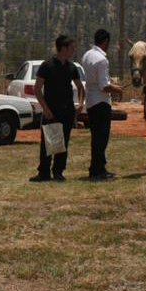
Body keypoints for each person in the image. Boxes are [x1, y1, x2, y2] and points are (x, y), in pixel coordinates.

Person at [29, 35, 85, 182]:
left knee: (63, 142)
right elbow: (37, 89)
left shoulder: (72, 67)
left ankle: (58, 171)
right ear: (63, 48)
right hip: (50, 110)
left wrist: (80, 103)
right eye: (72, 47)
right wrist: (45, 108)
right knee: (48, 141)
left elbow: (80, 87)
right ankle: (44, 173)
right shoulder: (47, 66)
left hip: (67, 110)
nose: (73, 50)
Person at [81, 29, 124, 180]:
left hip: (91, 101)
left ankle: (98, 167)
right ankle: (98, 170)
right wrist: (117, 89)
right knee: (102, 138)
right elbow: (104, 86)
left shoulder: (87, 55)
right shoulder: (102, 60)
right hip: (101, 102)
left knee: (95, 137)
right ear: (105, 41)